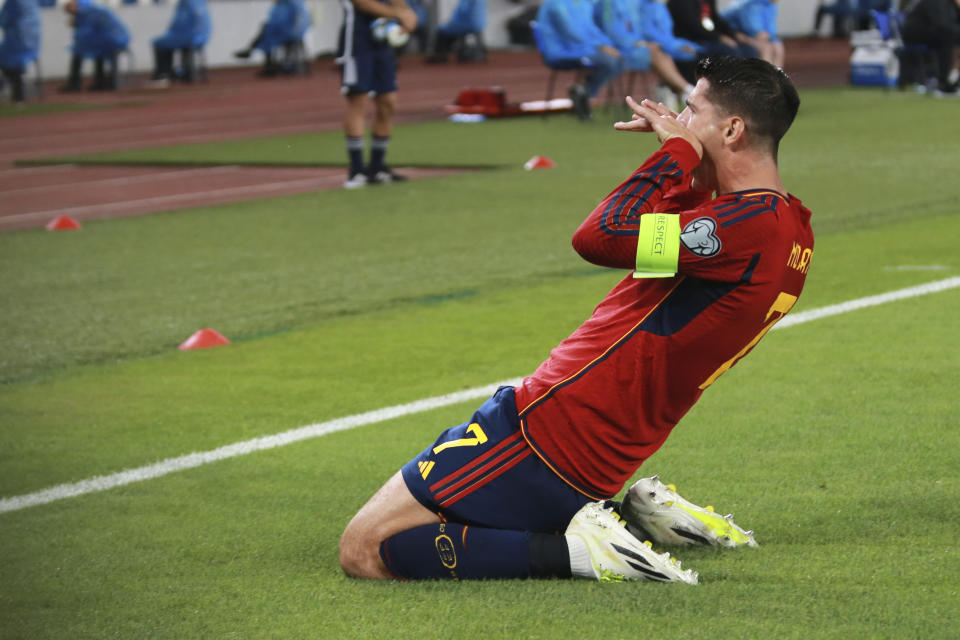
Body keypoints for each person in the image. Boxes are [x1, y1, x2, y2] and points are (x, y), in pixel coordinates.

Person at [339, 56, 812, 583]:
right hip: (606, 447)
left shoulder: (745, 226)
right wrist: (690, 168)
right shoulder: (790, 230)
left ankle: (588, 550)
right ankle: (627, 517)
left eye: (690, 109)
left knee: (366, 548)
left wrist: (677, 154)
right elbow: (649, 245)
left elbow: (600, 236)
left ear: (732, 128)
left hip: (549, 430)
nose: (675, 120)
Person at [337, 0, 418, 189]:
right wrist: (397, 14)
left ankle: (377, 167)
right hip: (357, 39)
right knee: (357, 100)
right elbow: (361, 3)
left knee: (388, 101)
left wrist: (408, 13)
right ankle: (356, 171)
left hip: (381, 40)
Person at [594, 0, 695, 111]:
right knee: (655, 52)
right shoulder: (608, 3)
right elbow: (612, 31)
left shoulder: (635, 3)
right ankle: (684, 90)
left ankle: (681, 90)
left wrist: (645, 43)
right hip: (620, 49)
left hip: (638, 47)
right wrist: (637, 43)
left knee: (662, 51)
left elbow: (640, 30)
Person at [535, 0, 622, 120]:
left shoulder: (584, 3)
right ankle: (586, 94)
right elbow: (569, 32)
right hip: (562, 52)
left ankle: (583, 93)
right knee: (608, 61)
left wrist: (608, 45)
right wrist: (600, 46)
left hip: (584, 49)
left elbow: (592, 29)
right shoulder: (555, 4)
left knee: (620, 59)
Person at [60, 0, 129, 93]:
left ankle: (75, 83)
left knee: (78, 51)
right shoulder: (90, 8)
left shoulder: (85, 11)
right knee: (95, 50)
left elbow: (83, 34)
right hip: (117, 38)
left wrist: (77, 25)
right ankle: (101, 81)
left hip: (113, 40)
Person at [233, 0, 312, 76]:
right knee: (266, 32)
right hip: (284, 31)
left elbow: (297, 17)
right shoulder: (285, 4)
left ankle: (254, 52)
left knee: (266, 34)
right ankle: (253, 52)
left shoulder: (290, 3)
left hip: (289, 32)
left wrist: (296, 31)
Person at [667, 0, 756, 64]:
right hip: (693, 39)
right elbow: (692, 26)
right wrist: (719, 38)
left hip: (710, 36)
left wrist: (734, 34)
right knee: (730, 51)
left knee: (748, 49)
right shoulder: (681, 2)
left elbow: (716, 20)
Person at [901, 0, 960, 94]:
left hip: (933, 32)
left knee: (951, 38)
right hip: (916, 34)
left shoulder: (950, 4)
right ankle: (943, 82)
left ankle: (951, 79)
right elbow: (941, 24)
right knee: (948, 41)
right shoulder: (937, 2)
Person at [149, 0, 211, 86]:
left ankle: (164, 73)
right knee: (160, 42)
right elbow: (176, 23)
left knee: (163, 43)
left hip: (192, 35)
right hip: (183, 34)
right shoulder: (185, 3)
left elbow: (199, 21)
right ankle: (168, 72)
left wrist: (196, 34)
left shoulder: (192, 2)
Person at [721, 0, 783, 68]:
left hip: (746, 33)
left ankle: (777, 76)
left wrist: (772, 38)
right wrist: (764, 36)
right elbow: (753, 29)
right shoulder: (751, 4)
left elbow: (771, 29)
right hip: (731, 33)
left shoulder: (771, 5)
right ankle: (765, 75)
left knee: (778, 47)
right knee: (765, 48)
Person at [0, 0, 40, 103]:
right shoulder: (31, 2)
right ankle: (17, 92)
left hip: (17, 39)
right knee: (12, 63)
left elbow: (5, 19)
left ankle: (17, 93)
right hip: (31, 40)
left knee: (9, 62)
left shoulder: (14, 3)